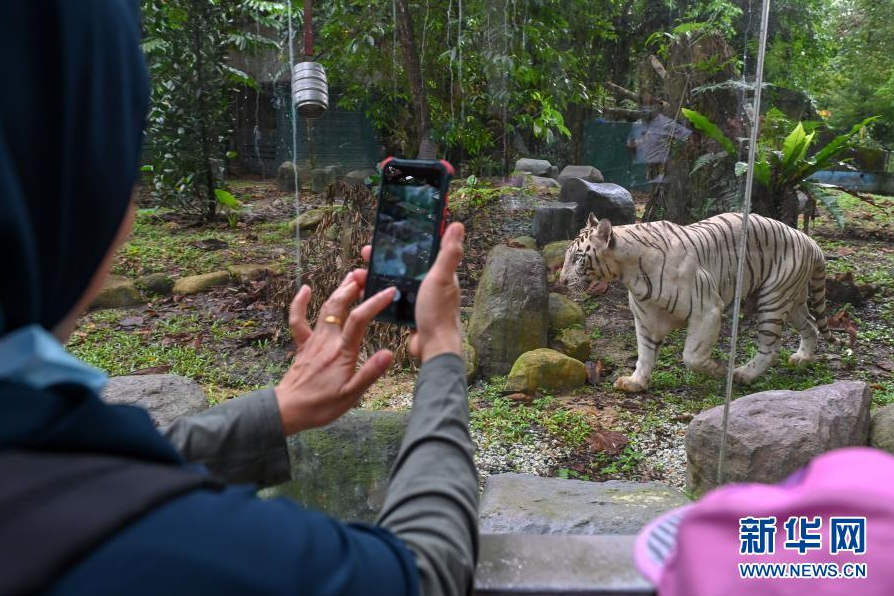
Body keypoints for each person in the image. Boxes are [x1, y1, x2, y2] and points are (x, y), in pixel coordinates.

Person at [0, 2, 477, 595]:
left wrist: (276, 409)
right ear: (78, 189)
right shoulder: (174, 550)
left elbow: (79, 473)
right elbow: (425, 574)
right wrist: (442, 351)